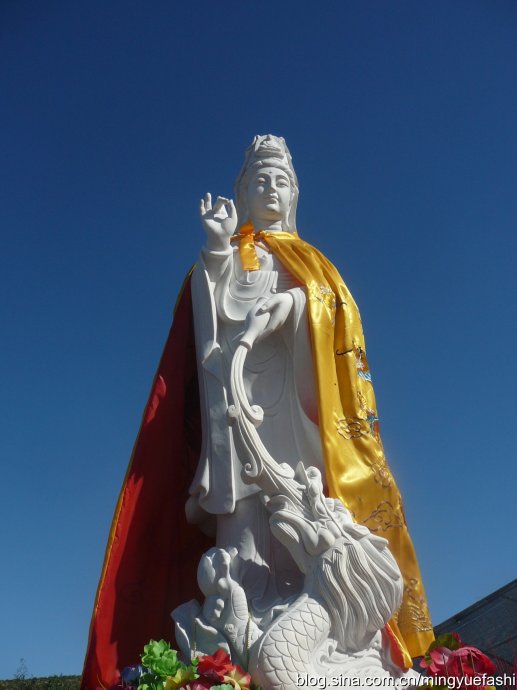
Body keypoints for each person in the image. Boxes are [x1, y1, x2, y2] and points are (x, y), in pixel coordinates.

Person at [81, 135, 433, 690]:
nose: (271, 189)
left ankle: (325, 613)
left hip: (294, 411)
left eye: (280, 181)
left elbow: (334, 321)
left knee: (303, 507)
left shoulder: (310, 263)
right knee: (241, 518)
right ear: (242, 192)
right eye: (259, 181)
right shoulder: (231, 256)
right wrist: (216, 249)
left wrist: (293, 302)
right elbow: (208, 325)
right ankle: (238, 608)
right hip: (233, 406)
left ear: (295, 194)